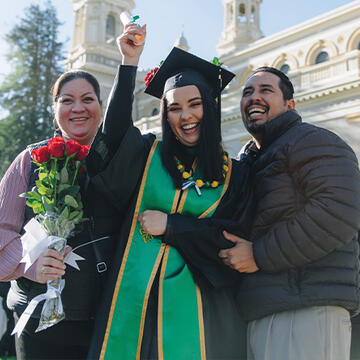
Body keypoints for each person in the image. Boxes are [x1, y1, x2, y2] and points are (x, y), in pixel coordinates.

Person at [86, 24, 253, 359]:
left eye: (195, 105)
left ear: (211, 106)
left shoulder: (235, 175)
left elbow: (234, 241)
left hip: (204, 317)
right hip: (134, 305)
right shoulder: (147, 156)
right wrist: (128, 63)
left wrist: (173, 226)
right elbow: (115, 135)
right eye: (174, 108)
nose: (185, 116)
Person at [215, 67, 360, 360]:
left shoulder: (310, 140)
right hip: (264, 308)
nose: (254, 97)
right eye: (247, 92)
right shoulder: (250, 160)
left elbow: (340, 210)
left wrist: (259, 254)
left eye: (266, 90)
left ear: (290, 104)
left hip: (306, 308)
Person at [0, 70, 118, 359]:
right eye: (67, 100)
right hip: (40, 324)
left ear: (101, 108)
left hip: (107, 323)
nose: (78, 108)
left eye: (87, 99)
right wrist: (31, 265)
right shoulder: (29, 161)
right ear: (55, 110)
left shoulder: (120, 163)